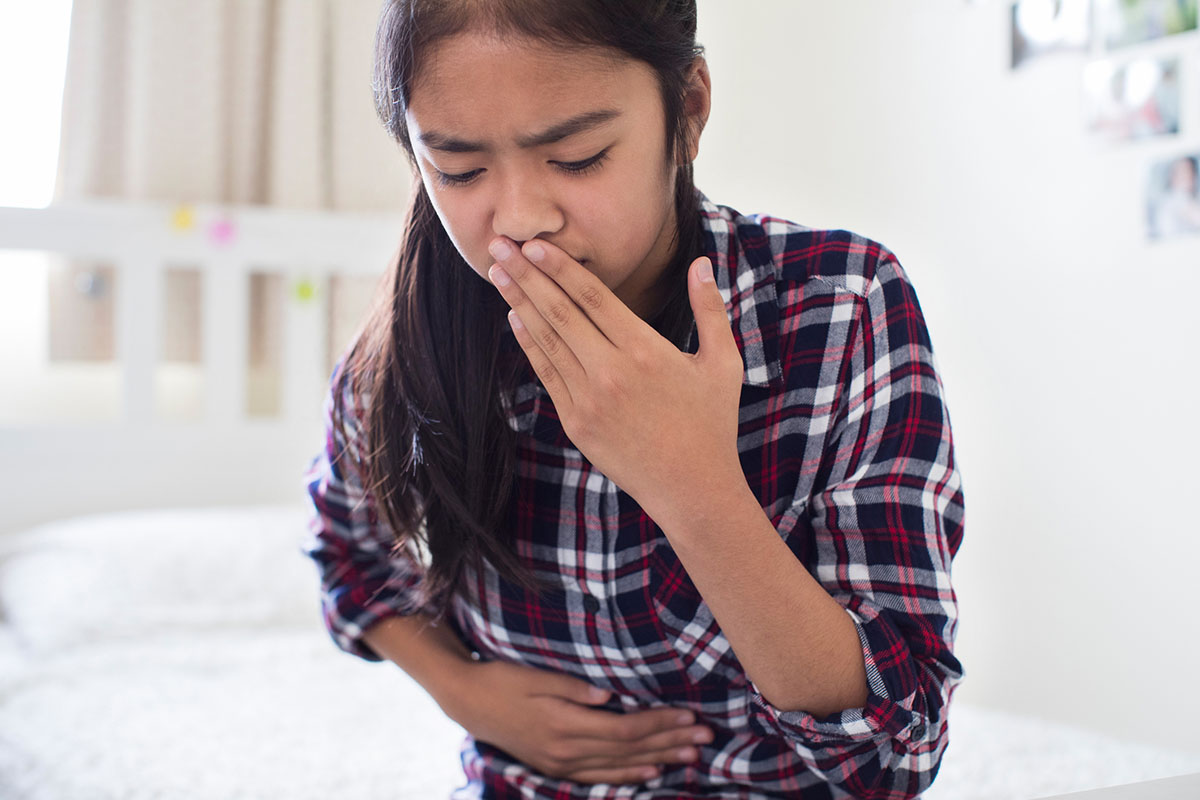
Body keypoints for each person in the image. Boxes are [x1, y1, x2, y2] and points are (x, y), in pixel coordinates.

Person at [302, 1, 965, 798]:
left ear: (687, 111)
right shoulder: (408, 349)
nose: (520, 221)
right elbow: (346, 552)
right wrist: (465, 693)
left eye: (577, 157)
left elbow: (894, 758)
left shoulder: (839, 306)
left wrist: (692, 484)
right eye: (460, 169)